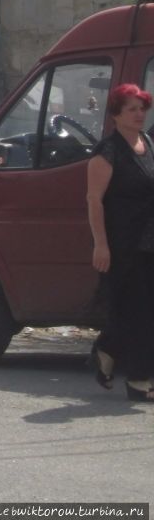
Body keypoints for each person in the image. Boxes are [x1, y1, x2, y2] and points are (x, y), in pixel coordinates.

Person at [86, 82, 154, 402]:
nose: (140, 114)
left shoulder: (149, 144)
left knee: (137, 310)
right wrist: (101, 245)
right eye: (132, 109)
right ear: (116, 114)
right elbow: (94, 201)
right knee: (139, 311)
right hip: (122, 244)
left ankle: (107, 349)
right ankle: (140, 380)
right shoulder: (108, 152)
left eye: (142, 108)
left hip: (150, 240)